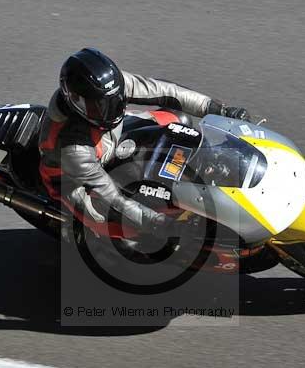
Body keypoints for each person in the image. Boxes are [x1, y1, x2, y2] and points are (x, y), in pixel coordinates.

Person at [38, 47, 249, 236]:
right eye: (100, 106)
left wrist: (217, 109)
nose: (112, 109)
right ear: (76, 102)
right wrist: (155, 221)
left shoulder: (109, 90)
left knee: (179, 122)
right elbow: (112, 199)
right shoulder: (74, 148)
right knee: (124, 224)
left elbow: (167, 91)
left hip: (113, 137)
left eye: (116, 100)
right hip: (78, 180)